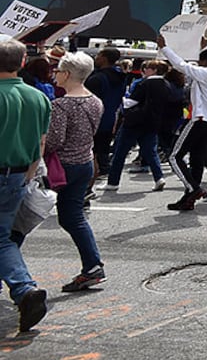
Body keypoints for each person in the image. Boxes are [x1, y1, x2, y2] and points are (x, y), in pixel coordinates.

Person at [0, 38, 52, 331]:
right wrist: (29, 174)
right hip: (19, 174)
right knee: (4, 235)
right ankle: (22, 288)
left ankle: (24, 288)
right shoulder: (38, 97)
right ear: (21, 63)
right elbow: (40, 143)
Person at [45, 51, 106, 292]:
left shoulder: (61, 105)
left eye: (58, 70)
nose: (55, 74)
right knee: (73, 216)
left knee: (23, 214)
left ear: (67, 74)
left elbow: (54, 141)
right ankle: (92, 265)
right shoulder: (95, 101)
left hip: (61, 166)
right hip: (84, 163)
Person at [159, 36, 207, 212]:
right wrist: (203, 48)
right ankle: (188, 198)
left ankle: (193, 189)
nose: (198, 62)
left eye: (200, 60)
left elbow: (181, 66)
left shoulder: (204, 73)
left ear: (205, 62)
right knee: (197, 158)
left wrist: (164, 48)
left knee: (174, 156)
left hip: (198, 118)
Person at [103, 58, 172, 191]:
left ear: (154, 71)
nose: (145, 70)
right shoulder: (166, 85)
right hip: (153, 122)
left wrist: (124, 100)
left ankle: (113, 182)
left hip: (134, 121)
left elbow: (131, 102)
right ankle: (159, 177)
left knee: (120, 152)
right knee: (151, 152)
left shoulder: (144, 83)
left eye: (148, 68)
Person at [84, 47, 129, 185]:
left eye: (98, 55)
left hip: (93, 120)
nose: (96, 58)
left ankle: (90, 182)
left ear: (104, 58)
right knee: (100, 152)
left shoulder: (96, 78)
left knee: (90, 154)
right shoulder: (121, 77)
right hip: (110, 118)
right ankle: (101, 171)